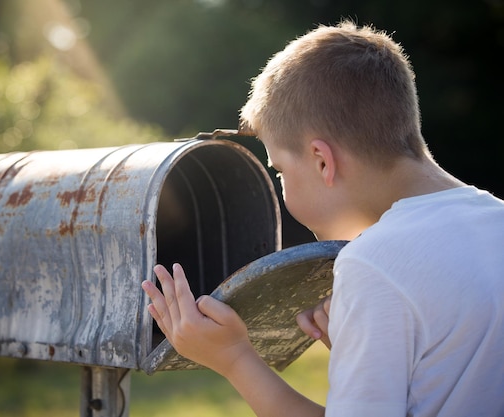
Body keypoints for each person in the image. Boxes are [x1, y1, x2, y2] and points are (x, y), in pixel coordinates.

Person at [141, 20, 504, 417]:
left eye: (279, 170)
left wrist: (234, 358)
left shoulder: (373, 264)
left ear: (321, 160)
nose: (281, 184)